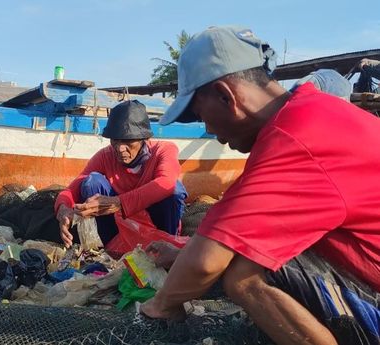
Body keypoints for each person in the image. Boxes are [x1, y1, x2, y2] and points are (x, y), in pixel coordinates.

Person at [143, 26, 380, 345]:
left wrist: (160, 306)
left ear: (226, 96)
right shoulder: (310, 114)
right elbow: (236, 230)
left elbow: (205, 263)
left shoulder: (296, 137)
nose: (210, 129)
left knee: (243, 275)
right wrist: (184, 251)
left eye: (202, 115)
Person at [54, 100, 187, 248]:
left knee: (174, 190)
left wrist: (118, 203)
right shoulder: (105, 156)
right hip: (119, 224)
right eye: (115, 141)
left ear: (145, 138)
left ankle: (168, 245)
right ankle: (108, 246)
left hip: (155, 217)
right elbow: (71, 190)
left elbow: (166, 182)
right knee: (92, 182)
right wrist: (63, 209)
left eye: (128, 141)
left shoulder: (164, 150)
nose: (120, 148)